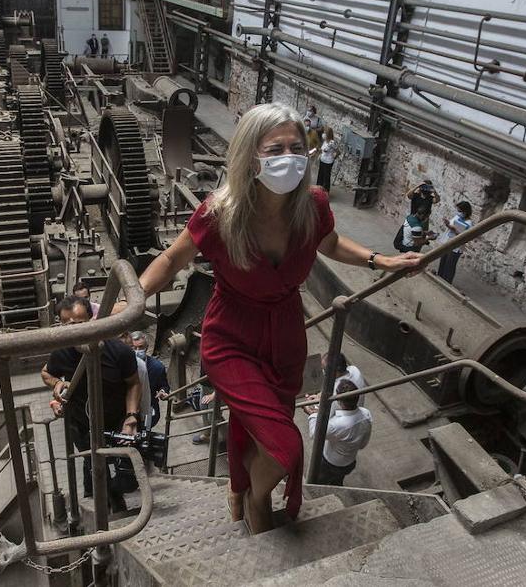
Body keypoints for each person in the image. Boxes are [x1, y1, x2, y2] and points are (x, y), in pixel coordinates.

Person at [117, 103, 421, 533]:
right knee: (285, 446)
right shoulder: (219, 213)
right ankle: (259, 499)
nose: (288, 157)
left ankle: (239, 488)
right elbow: (171, 259)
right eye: (274, 148)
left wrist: (380, 260)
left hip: (285, 335)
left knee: (254, 423)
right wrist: (131, 299)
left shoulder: (311, 205)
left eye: (296, 147)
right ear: (249, 154)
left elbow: (330, 244)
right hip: (231, 337)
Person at [41, 295, 141, 512]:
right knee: (94, 464)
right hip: (82, 424)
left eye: (78, 324)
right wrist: (57, 383)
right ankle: (101, 504)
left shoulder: (119, 351)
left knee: (128, 470)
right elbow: (46, 373)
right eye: (66, 325)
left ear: (92, 320)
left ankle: (115, 493)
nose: (73, 331)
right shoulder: (62, 352)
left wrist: (131, 415)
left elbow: (133, 383)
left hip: (116, 422)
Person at [303, 380, 372, 486]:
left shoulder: (337, 425)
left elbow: (314, 433)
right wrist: (319, 398)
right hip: (350, 461)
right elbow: (363, 444)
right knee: (337, 479)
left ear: (339, 401)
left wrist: (312, 414)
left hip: (331, 463)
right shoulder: (366, 414)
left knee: (318, 481)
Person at [130, 330, 169, 429]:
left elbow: (164, 386)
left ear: (147, 348)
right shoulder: (123, 366)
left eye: (141, 347)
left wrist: (163, 392)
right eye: (134, 348)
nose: (137, 351)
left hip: (148, 408)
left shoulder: (157, 367)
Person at [436, 201, 473, 284]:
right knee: (443, 261)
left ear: (465, 212)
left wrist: (454, 229)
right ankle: (439, 278)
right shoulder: (457, 217)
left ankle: (446, 282)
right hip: (448, 242)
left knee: (450, 265)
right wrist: (447, 223)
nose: (458, 213)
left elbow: (465, 236)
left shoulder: (469, 223)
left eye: (460, 211)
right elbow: (451, 224)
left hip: (456, 247)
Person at [316, 125, 339, 190]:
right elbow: (323, 150)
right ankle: (318, 189)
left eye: (325, 133)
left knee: (326, 177)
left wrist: (334, 157)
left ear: (328, 134)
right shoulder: (325, 141)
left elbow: (338, 151)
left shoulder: (332, 143)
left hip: (328, 162)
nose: (323, 134)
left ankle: (325, 191)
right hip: (322, 160)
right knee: (320, 175)